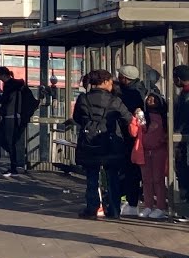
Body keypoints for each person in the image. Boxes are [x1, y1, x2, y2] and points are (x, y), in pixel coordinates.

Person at [73, 69, 134, 220]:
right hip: (111, 142)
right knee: (112, 177)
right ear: (105, 82)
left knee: (91, 177)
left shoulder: (83, 99)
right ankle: (114, 210)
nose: (112, 84)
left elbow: (77, 118)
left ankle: (92, 208)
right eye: (111, 82)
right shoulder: (114, 100)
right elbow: (128, 118)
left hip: (89, 142)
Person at [131, 91, 170, 219]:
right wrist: (134, 120)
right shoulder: (143, 116)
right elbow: (134, 132)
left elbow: (166, 134)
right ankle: (148, 206)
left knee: (158, 180)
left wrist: (162, 140)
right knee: (146, 180)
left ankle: (160, 207)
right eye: (149, 98)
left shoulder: (165, 118)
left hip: (159, 151)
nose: (151, 101)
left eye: (154, 99)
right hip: (144, 151)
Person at [114, 65, 147, 216]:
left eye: (120, 77)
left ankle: (130, 201)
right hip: (133, 137)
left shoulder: (129, 94)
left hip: (130, 137)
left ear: (125, 78)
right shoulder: (141, 89)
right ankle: (130, 200)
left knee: (129, 170)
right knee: (132, 171)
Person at [0, 66, 36, 177]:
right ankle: (16, 165)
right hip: (17, 117)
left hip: (10, 117)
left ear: (3, 75)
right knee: (11, 141)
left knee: (7, 140)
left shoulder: (9, 85)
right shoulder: (17, 85)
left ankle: (14, 166)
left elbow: (6, 100)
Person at [175, 64, 189, 203]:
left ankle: (185, 198)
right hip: (183, 135)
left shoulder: (185, 96)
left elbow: (183, 118)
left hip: (184, 136)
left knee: (183, 168)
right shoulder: (183, 94)